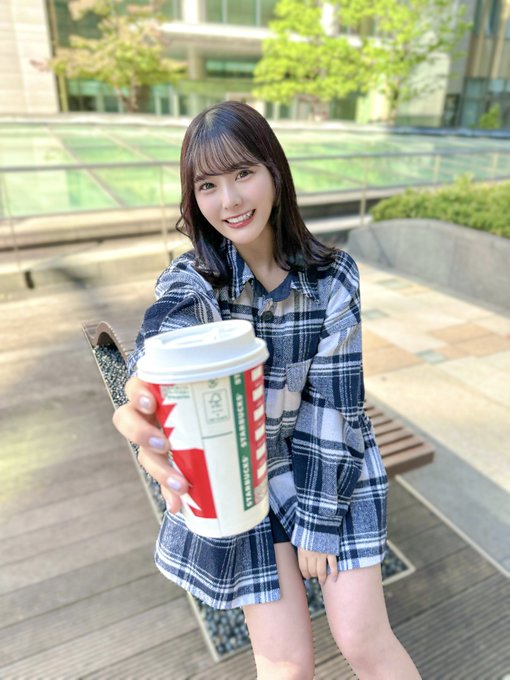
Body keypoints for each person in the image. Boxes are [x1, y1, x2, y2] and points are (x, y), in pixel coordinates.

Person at [113, 101, 421, 680]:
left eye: (243, 173)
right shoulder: (195, 279)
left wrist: (319, 522)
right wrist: (146, 383)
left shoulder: (332, 277)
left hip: (330, 463)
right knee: (287, 666)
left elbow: (335, 407)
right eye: (208, 184)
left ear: (275, 172)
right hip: (243, 476)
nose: (229, 200)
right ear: (193, 197)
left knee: (363, 640)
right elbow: (168, 328)